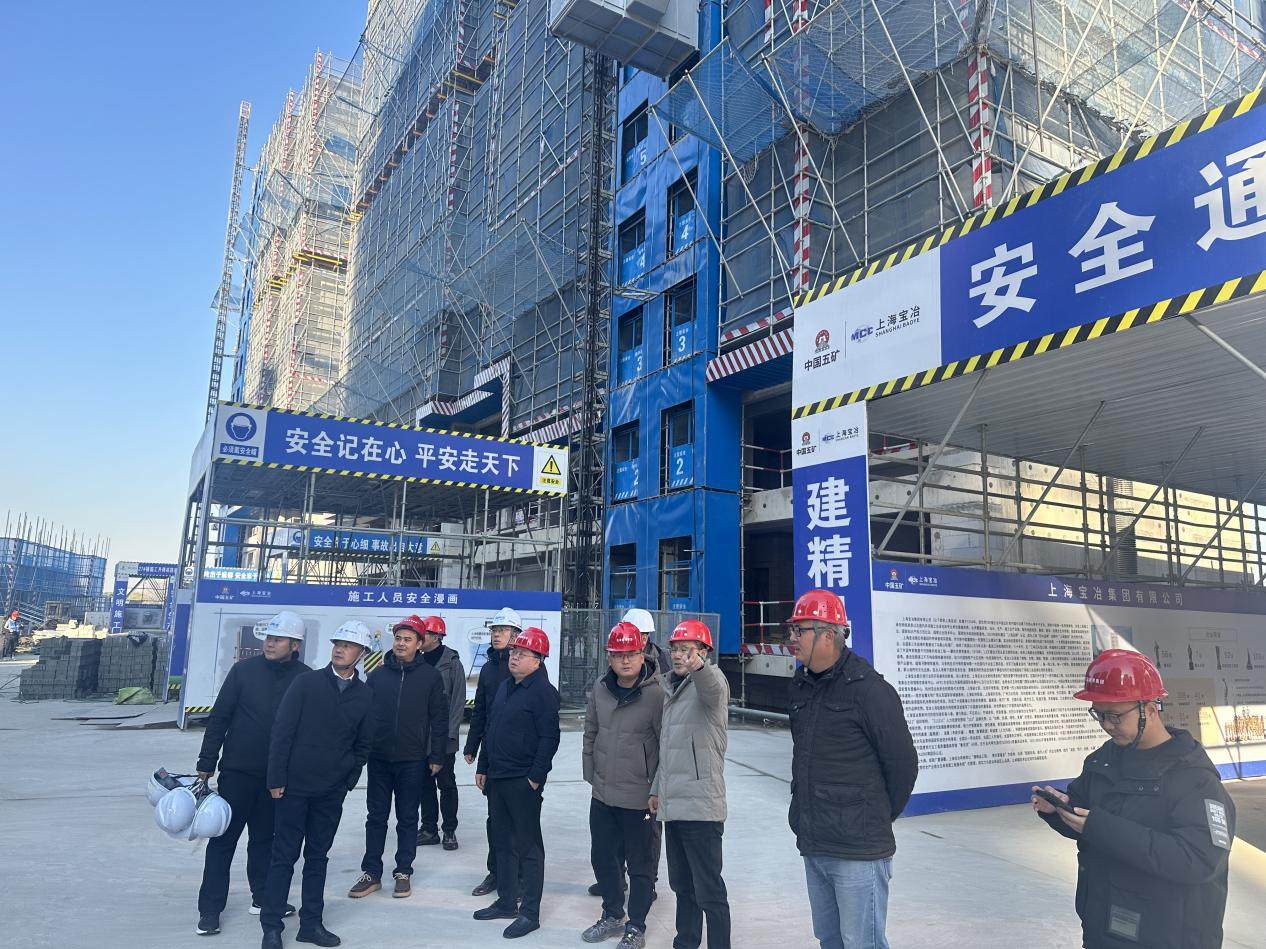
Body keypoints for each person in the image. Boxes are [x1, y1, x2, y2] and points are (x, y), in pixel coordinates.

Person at [1033, 648, 1236, 949]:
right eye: (1099, 714)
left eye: (1114, 715)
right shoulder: (1103, 760)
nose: (1106, 725)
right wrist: (1057, 810)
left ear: (1150, 709)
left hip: (1167, 935)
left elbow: (1198, 860)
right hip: (1103, 926)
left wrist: (1100, 827)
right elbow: (1084, 818)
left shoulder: (1195, 780)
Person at [785, 589, 918, 949]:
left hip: (858, 849)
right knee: (829, 939)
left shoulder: (870, 691)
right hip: (815, 840)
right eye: (792, 629)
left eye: (800, 630)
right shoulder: (801, 687)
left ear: (829, 635)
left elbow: (903, 765)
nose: (792, 638)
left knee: (862, 943)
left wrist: (872, 816)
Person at [193, 611, 311, 937]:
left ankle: (263, 897)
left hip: (276, 779)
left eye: (278, 639)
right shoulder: (243, 672)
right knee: (222, 841)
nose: (269, 644)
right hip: (237, 773)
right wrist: (206, 762)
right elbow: (220, 719)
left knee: (264, 841)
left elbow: (309, 731)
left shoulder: (305, 679)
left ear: (295, 644)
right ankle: (209, 910)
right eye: (268, 638)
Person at [260, 621, 376, 949]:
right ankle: (271, 927)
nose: (340, 649)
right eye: (337, 643)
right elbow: (282, 732)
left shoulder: (365, 696)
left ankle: (311, 924)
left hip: (330, 792)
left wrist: (346, 781)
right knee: (283, 857)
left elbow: (363, 744)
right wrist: (276, 778)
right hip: (293, 788)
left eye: (348, 645)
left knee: (317, 857)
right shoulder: (306, 683)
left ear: (361, 653)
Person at [347, 617, 449, 900]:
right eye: (398, 639)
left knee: (407, 818)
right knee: (376, 817)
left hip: (413, 760)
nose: (401, 644)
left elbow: (439, 719)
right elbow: (364, 716)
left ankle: (403, 871)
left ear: (419, 644)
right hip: (379, 759)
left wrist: (437, 755)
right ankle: (371, 873)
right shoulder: (378, 676)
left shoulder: (430, 677)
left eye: (408, 639)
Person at [581, 621, 664, 949]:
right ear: (609, 657)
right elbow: (591, 731)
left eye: (631, 653)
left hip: (639, 797)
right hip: (603, 793)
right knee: (602, 858)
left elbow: (666, 745)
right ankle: (612, 913)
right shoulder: (601, 688)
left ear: (642, 654)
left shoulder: (657, 694)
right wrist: (591, 772)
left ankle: (636, 926)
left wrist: (656, 789)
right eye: (618, 654)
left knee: (641, 866)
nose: (625, 660)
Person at [474, 626, 561, 939]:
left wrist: (535, 777)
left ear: (538, 660)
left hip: (522, 782)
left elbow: (549, 738)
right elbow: (491, 726)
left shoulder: (544, 693)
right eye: (514, 652)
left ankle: (530, 913)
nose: (514, 657)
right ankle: (506, 901)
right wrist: (483, 764)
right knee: (502, 842)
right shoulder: (505, 687)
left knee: (528, 847)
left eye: (523, 653)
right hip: (497, 777)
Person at [650, 619, 731, 949]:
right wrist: (656, 788)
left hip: (701, 807)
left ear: (703, 653)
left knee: (709, 889)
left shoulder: (712, 681)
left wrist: (700, 668)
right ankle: (685, 942)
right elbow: (669, 748)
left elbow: (712, 690)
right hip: (674, 806)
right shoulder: (672, 689)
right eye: (675, 649)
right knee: (682, 886)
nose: (678, 655)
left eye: (687, 649)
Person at [464, 606, 522, 897]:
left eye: (503, 630)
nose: (497, 635)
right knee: (495, 819)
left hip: (519, 759)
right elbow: (481, 712)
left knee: (519, 821)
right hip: (493, 754)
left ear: (516, 635)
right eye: (494, 630)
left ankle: (520, 876)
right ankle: (496, 872)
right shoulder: (488, 669)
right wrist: (472, 746)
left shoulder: (526, 668)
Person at [410, 614, 466, 850]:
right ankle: (429, 829)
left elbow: (458, 700)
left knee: (446, 783)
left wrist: (449, 735)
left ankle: (449, 830)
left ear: (436, 637)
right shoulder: (416, 660)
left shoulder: (451, 662)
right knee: (424, 784)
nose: (420, 639)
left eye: (423, 635)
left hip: (443, 737)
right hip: (420, 737)